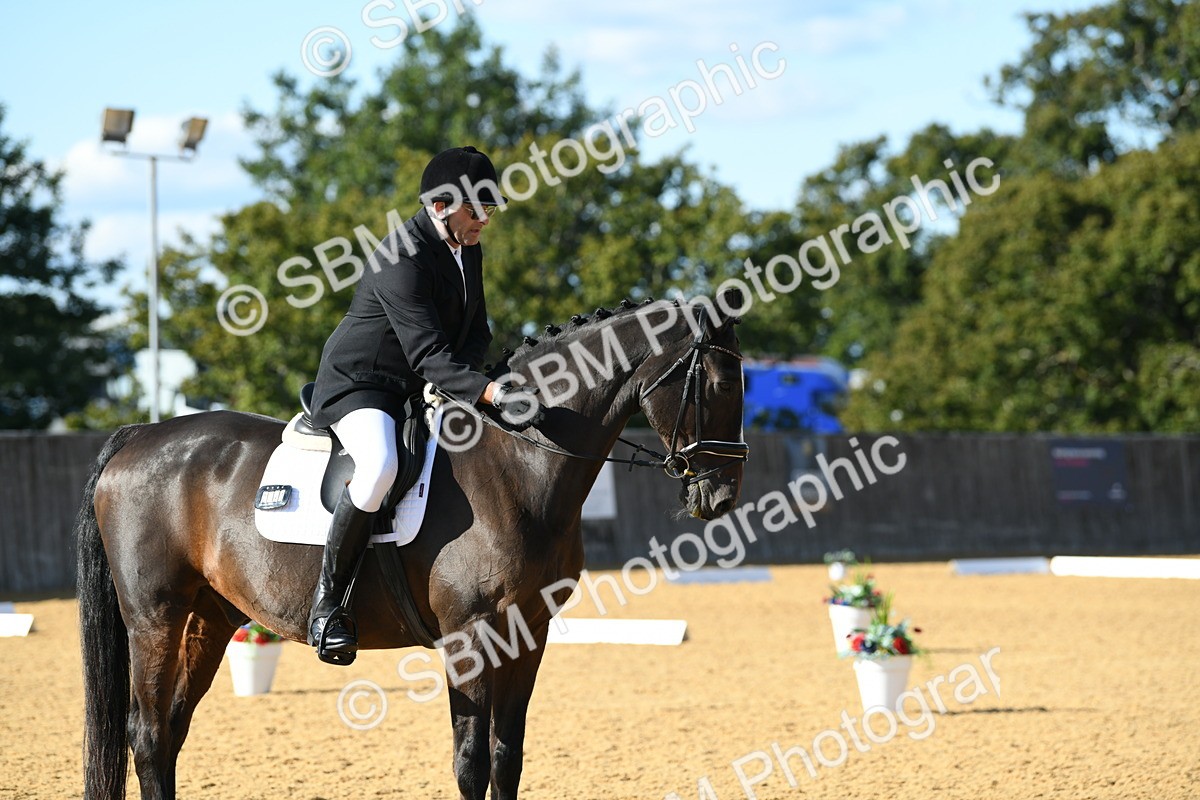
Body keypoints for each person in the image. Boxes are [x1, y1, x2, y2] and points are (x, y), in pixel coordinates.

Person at [305, 145, 538, 665]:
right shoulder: (400, 256)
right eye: (476, 209)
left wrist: (471, 382)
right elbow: (429, 352)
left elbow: (476, 331)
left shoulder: (465, 247)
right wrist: (489, 391)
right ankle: (328, 606)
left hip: (415, 384)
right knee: (381, 464)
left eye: (490, 209)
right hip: (361, 383)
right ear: (440, 206)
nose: (484, 220)